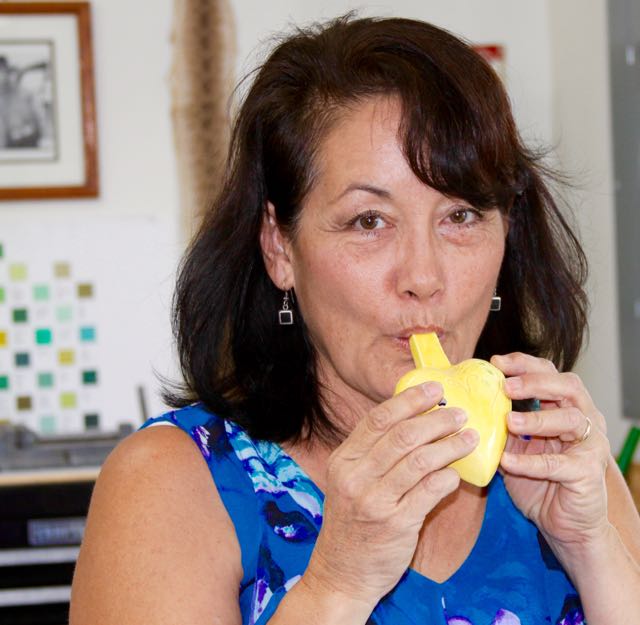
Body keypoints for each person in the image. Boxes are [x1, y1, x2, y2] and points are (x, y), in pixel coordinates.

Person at [70, 15, 640, 625]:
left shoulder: (557, 460)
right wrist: (338, 582)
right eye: (369, 221)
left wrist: (593, 547)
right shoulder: (170, 482)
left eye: (461, 216)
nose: (423, 275)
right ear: (280, 248)